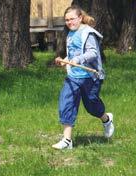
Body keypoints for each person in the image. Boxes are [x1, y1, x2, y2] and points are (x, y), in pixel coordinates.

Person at [52, 5, 114, 150]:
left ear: (80, 18)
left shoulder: (88, 33)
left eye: (72, 19)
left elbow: (92, 53)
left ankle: (106, 119)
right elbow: (73, 55)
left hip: (90, 77)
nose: (69, 22)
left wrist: (78, 60)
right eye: (66, 20)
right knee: (66, 102)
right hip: (73, 77)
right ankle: (67, 141)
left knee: (91, 106)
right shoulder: (70, 34)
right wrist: (65, 60)